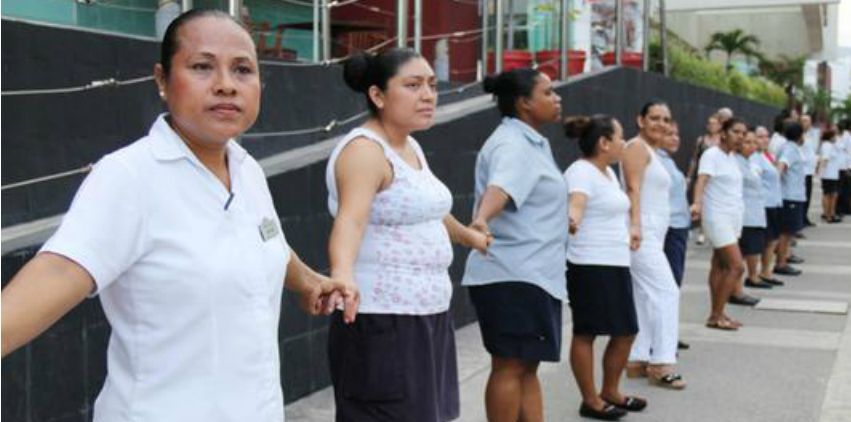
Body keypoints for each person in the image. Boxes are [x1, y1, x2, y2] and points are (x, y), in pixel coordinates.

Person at [0, 10, 359, 421]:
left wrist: (307, 280)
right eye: (202, 67)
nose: (226, 84)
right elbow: (60, 271)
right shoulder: (130, 176)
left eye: (242, 69)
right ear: (161, 81)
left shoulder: (246, 170)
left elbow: (265, 236)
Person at [328, 48, 491, 421]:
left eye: (432, 85)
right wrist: (342, 275)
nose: (429, 95)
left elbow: (429, 209)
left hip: (426, 314)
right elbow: (350, 221)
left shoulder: (410, 145)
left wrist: (470, 237)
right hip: (382, 319)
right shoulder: (364, 152)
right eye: (413, 85)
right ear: (378, 95)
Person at [462, 68, 566, 422]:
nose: (557, 98)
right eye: (549, 92)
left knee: (526, 367)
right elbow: (500, 188)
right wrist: (482, 219)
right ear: (524, 103)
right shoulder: (513, 144)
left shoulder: (531, 141)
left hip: (534, 274)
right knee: (510, 366)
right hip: (514, 275)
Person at [562, 115, 647, 420]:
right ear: (604, 143)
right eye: (621, 137)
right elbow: (577, 204)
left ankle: (610, 391)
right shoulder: (581, 172)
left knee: (626, 331)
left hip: (615, 261)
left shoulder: (608, 173)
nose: (624, 143)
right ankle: (591, 400)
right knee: (586, 332)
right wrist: (572, 218)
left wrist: (632, 231)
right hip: (589, 264)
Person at [621, 101, 686, 388]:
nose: (662, 124)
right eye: (655, 118)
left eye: (667, 119)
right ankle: (661, 362)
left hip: (652, 234)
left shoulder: (654, 152)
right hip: (641, 233)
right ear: (640, 119)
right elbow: (632, 187)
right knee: (667, 292)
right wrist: (635, 226)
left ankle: (637, 359)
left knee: (645, 297)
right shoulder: (636, 147)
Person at [691, 117, 748, 330]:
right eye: (736, 131)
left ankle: (718, 313)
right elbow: (702, 180)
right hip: (717, 217)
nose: (740, 136)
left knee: (720, 265)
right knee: (736, 266)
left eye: (743, 133)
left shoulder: (732, 157)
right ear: (723, 133)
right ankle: (716, 315)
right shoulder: (712, 154)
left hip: (733, 217)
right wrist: (697, 203)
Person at [660, 122, 692, 350]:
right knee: (667, 284)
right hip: (668, 228)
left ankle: (667, 333)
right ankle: (661, 338)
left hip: (679, 226)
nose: (675, 138)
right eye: (669, 134)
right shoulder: (655, 161)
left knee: (673, 283)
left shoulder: (668, 161)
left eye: (676, 134)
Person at [735, 129, 773, 294]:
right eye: (747, 142)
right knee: (744, 254)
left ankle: (748, 281)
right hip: (745, 215)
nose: (752, 146)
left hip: (756, 212)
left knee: (754, 248)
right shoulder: (736, 162)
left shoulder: (751, 161)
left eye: (753, 142)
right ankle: (737, 290)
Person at [753, 126, 786, 287]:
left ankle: (766, 271)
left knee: (772, 240)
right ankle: (761, 272)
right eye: (760, 137)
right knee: (767, 240)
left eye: (766, 137)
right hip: (764, 204)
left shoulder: (767, 155)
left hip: (774, 202)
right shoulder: (754, 158)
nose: (764, 140)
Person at [774, 122, 807, 277]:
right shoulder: (790, 149)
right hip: (790, 195)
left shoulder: (787, 147)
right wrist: (777, 179)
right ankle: (781, 262)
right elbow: (781, 165)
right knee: (786, 232)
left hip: (793, 194)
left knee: (788, 232)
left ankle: (784, 257)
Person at [688, 114, 723, 245]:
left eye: (714, 123)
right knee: (701, 201)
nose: (711, 126)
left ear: (719, 126)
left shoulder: (721, 141)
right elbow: (694, 158)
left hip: (716, 176)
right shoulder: (701, 140)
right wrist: (690, 175)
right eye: (709, 123)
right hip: (703, 173)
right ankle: (702, 231)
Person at [818, 129, 842, 223]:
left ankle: (830, 213)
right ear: (830, 137)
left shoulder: (830, 145)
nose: (836, 138)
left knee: (831, 194)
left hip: (832, 174)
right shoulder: (827, 145)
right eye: (834, 136)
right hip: (828, 174)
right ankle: (828, 215)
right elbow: (825, 159)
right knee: (829, 194)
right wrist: (820, 171)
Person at [800, 115, 819, 226]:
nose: (806, 123)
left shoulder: (812, 135)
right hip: (802, 171)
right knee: (802, 195)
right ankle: (801, 218)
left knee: (808, 194)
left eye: (808, 121)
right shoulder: (798, 135)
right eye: (804, 121)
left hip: (810, 170)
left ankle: (805, 216)